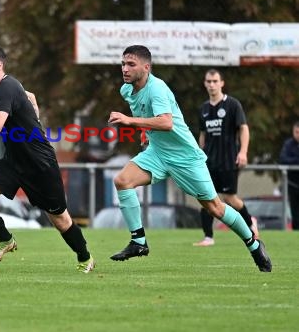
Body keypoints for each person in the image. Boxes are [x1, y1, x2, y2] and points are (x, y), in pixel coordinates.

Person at [108, 45, 271, 272]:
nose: (125, 69)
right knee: (122, 181)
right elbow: (146, 116)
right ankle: (139, 242)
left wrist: (129, 121)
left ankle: (254, 244)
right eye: (123, 63)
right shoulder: (126, 90)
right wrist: (144, 133)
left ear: (147, 67)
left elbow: (166, 122)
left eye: (131, 64)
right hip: (157, 152)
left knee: (215, 207)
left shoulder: (158, 89)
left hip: (185, 157)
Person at [0, 44, 95, 273]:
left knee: (60, 220)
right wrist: (33, 116)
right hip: (14, 162)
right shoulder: (5, 87)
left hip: (39, 165)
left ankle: (85, 258)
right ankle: (6, 240)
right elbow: (29, 96)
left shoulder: (6, 86)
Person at [193, 69, 259, 246]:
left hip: (229, 160)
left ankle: (251, 225)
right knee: (206, 198)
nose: (212, 85)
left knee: (230, 199)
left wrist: (243, 152)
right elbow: (203, 135)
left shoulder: (232, 105)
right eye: (209, 81)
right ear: (205, 84)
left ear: (222, 83)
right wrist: (200, 155)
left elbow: (243, 128)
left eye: (215, 81)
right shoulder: (204, 109)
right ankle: (208, 237)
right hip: (209, 161)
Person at [279, 121, 299, 230]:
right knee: (295, 212)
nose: (298, 135)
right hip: (293, 184)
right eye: (296, 132)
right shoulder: (288, 144)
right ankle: (296, 233)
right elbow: (283, 159)